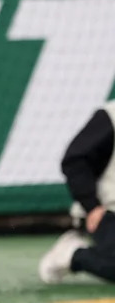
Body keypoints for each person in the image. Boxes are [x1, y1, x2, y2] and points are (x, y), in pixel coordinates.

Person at [39, 102, 115, 284]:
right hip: (107, 211)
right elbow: (75, 160)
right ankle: (72, 254)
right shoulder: (111, 115)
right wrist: (92, 205)